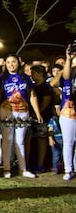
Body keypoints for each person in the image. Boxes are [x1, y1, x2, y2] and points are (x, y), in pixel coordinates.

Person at [0, 54, 42, 179]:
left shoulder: (25, 78)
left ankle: (23, 169)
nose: (11, 65)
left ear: (18, 63)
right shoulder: (1, 79)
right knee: (7, 140)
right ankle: (6, 168)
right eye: (8, 62)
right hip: (7, 112)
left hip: (23, 112)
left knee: (20, 141)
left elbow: (32, 95)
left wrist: (37, 113)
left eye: (13, 62)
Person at [26, 65, 53, 173]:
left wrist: (38, 113)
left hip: (42, 117)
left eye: (33, 73)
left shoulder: (45, 87)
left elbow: (45, 103)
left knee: (41, 140)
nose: (31, 75)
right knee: (28, 139)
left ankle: (40, 164)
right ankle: (27, 163)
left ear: (40, 74)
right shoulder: (32, 87)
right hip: (31, 117)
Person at [58, 45, 76, 180]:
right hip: (68, 111)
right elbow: (66, 76)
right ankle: (68, 169)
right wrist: (68, 59)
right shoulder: (69, 70)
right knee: (68, 142)